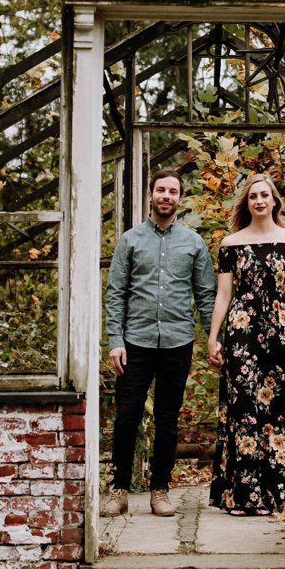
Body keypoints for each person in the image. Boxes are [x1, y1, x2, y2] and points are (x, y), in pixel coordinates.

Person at [102, 168, 215, 518]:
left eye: (173, 191)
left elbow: (207, 295)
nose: (166, 196)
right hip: (135, 342)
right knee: (127, 417)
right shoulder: (130, 240)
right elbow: (116, 293)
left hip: (178, 343)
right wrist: (115, 341)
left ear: (180, 198)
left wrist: (213, 340)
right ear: (150, 195)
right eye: (161, 190)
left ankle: (160, 490)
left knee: (168, 419)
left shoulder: (194, 243)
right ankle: (119, 489)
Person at [208, 172, 285, 516]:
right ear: (247, 203)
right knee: (243, 409)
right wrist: (213, 337)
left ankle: (273, 493)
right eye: (253, 196)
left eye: (265, 195)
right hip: (242, 330)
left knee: (279, 409)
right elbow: (224, 295)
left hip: (282, 331)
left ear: (275, 200)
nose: (260, 201)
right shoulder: (230, 244)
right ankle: (243, 495)